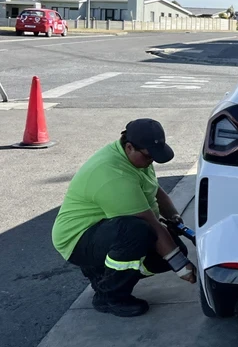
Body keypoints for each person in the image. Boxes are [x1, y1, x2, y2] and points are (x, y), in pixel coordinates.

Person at [51, 119, 197, 317]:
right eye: (148, 157)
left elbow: (155, 189)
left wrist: (174, 217)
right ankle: (109, 296)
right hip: (77, 238)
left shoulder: (139, 158)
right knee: (138, 232)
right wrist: (182, 267)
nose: (151, 162)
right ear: (129, 147)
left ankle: (104, 275)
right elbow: (150, 224)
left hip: (106, 229)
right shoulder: (113, 174)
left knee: (171, 251)